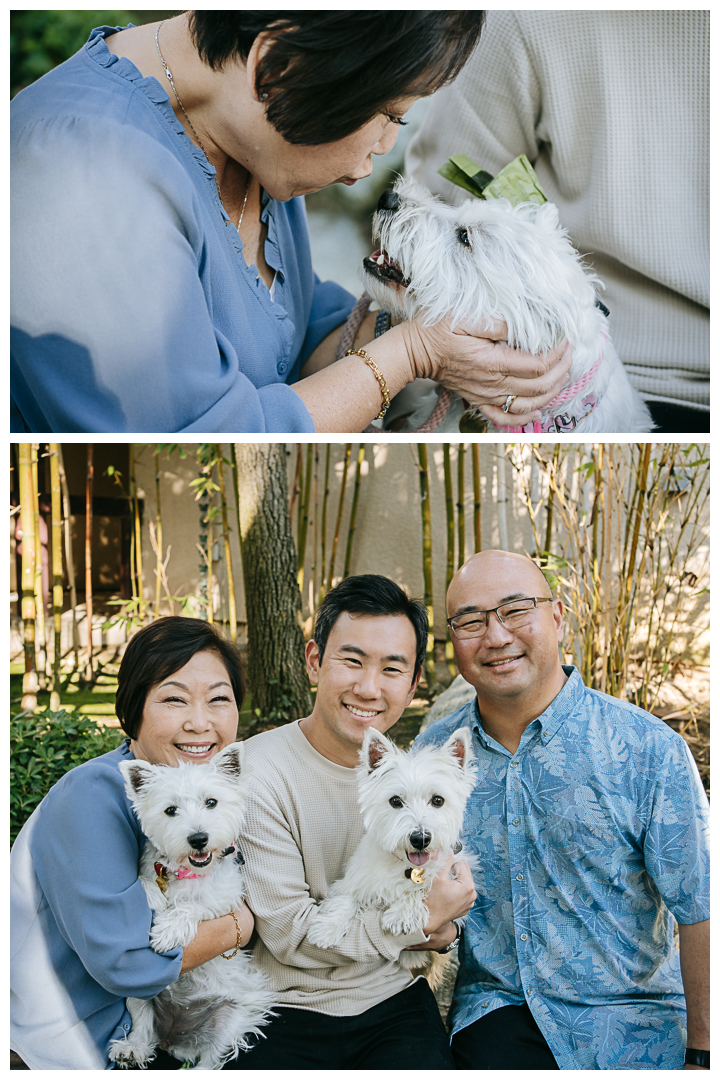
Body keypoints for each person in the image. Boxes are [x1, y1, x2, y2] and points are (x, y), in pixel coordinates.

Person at [11, 11, 573, 434]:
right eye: (388, 113)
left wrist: (466, 343)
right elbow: (215, 436)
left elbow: (293, 333)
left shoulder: (254, 135)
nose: (385, 146)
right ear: (280, 64)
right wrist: (413, 352)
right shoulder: (81, 177)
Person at [415, 550, 710, 1070]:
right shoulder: (437, 754)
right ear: (453, 639)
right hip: (498, 1012)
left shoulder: (646, 749)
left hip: (632, 1023)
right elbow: (413, 876)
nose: (497, 636)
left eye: (515, 610)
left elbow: (701, 908)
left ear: (555, 617)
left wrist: (703, 1055)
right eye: (471, 621)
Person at [406, 10, 709, 434]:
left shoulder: (524, 18)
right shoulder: (525, 20)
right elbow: (438, 215)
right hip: (553, 383)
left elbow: (425, 220)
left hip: (558, 384)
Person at [234, 575, 476, 1069]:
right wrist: (421, 923)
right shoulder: (258, 771)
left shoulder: (418, 778)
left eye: (392, 669)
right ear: (314, 661)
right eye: (352, 660)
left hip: (394, 1000)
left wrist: (444, 928)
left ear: (413, 686)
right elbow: (293, 935)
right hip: (281, 1007)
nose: (369, 687)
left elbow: (444, 898)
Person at [10, 617, 255, 1070]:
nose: (200, 722)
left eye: (219, 699)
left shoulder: (212, 793)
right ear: (133, 710)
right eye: (174, 699)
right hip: (67, 1045)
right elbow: (130, 965)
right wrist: (239, 925)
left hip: (154, 1032)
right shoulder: (92, 794)